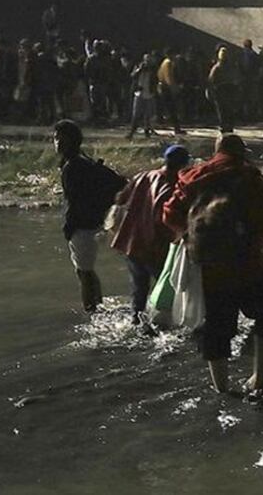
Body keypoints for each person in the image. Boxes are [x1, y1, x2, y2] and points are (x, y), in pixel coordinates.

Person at [162, 135, 263, 394]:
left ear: (216, 151)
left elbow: (169, 213)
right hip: (248, 264)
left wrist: (190, 235)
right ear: (242, 152)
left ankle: (221, 389)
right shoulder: (248, 177)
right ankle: (259, 377)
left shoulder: (193, 176)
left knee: (217, 329)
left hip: (210, 269)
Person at [110, 145, 191, 325]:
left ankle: (137, 323)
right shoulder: (173, 185)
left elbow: (120, 199)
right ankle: (164, 328)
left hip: (131, 244)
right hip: (155, 247)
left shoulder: (143, 176)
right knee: (167, 292)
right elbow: (164, 218)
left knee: (139, 294)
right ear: (184, 164)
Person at [55, 120, 126, 313]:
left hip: (82, 226)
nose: (57, 143)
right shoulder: (82, 163)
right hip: (91, 223)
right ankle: (98, 306)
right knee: (86, 270)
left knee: (83, 272)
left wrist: (69, 227)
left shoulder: (74, 166)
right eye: (56, 139)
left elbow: (75, 201)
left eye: (61, 139)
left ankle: (91, 311)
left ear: (72, 141)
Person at [127, 53, 158, 139]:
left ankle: (147, 132)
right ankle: (132, 132)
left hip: (149, 93)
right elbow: (132, 76)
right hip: (139, 93)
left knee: (147, 115)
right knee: (136, 114)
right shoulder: (138, 66)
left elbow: (155, 79)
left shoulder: (153, 69)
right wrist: (140, 69)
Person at [208, 46, 239, 133]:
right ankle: (228, 126)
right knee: (227, 110)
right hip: (226, 90)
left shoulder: (217, 67)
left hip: (221, 91)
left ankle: (224, 126)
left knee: (223, 111)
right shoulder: (230, 67)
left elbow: (211, 80)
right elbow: (235, 79)